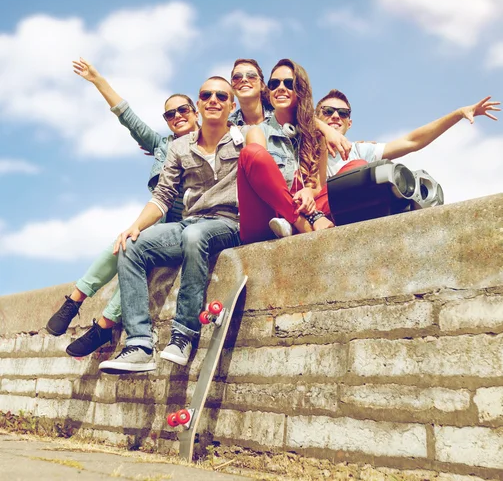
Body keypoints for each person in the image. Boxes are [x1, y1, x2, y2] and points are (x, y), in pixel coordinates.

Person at [46, 58, 199, 357]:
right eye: (170, 113)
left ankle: (103, 326)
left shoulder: (212, 142)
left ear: (196, 112)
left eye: (183, 109)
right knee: (122, 243)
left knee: (134, 253)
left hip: (186, 227)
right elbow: (126, 115)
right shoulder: (162, 145)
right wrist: (96, 79)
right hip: (157, 222)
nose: (177, 116)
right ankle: (75, 301)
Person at [98, 76, 243, 373]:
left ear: (232, 105)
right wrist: (135, 226)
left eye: (221, 95)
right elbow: (163, 196)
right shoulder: (180, 148)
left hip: (229, 223)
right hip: (191, 222)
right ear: (198, 105)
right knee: (132, 245)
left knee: (194, 236)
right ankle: (139, 344)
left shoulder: (246, 137)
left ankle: (184, 334)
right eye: (206, 95)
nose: (213, 99)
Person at [237, 58, 333, 244]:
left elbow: (318, 186)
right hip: (267, 217)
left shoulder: (317, 135)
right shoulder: (258, 131)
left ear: (301, 90)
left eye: (289, 84)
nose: (280, 88)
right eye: (274, 84)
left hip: (305, 209)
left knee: (355, 168)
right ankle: (301, 224)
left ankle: (294, 224)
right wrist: (308, 216)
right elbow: (263, 186)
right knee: (252, 153)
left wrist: (307, 192)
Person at [316, 89, 501, 177]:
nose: (335, 116)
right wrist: (323, 131)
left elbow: (412, 142)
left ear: (349, 123)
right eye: (327, 111)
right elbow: (295, 112)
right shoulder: (300, 143)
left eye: (342, 113)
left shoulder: (359, 151)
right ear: (316, 116)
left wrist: (458, 114)